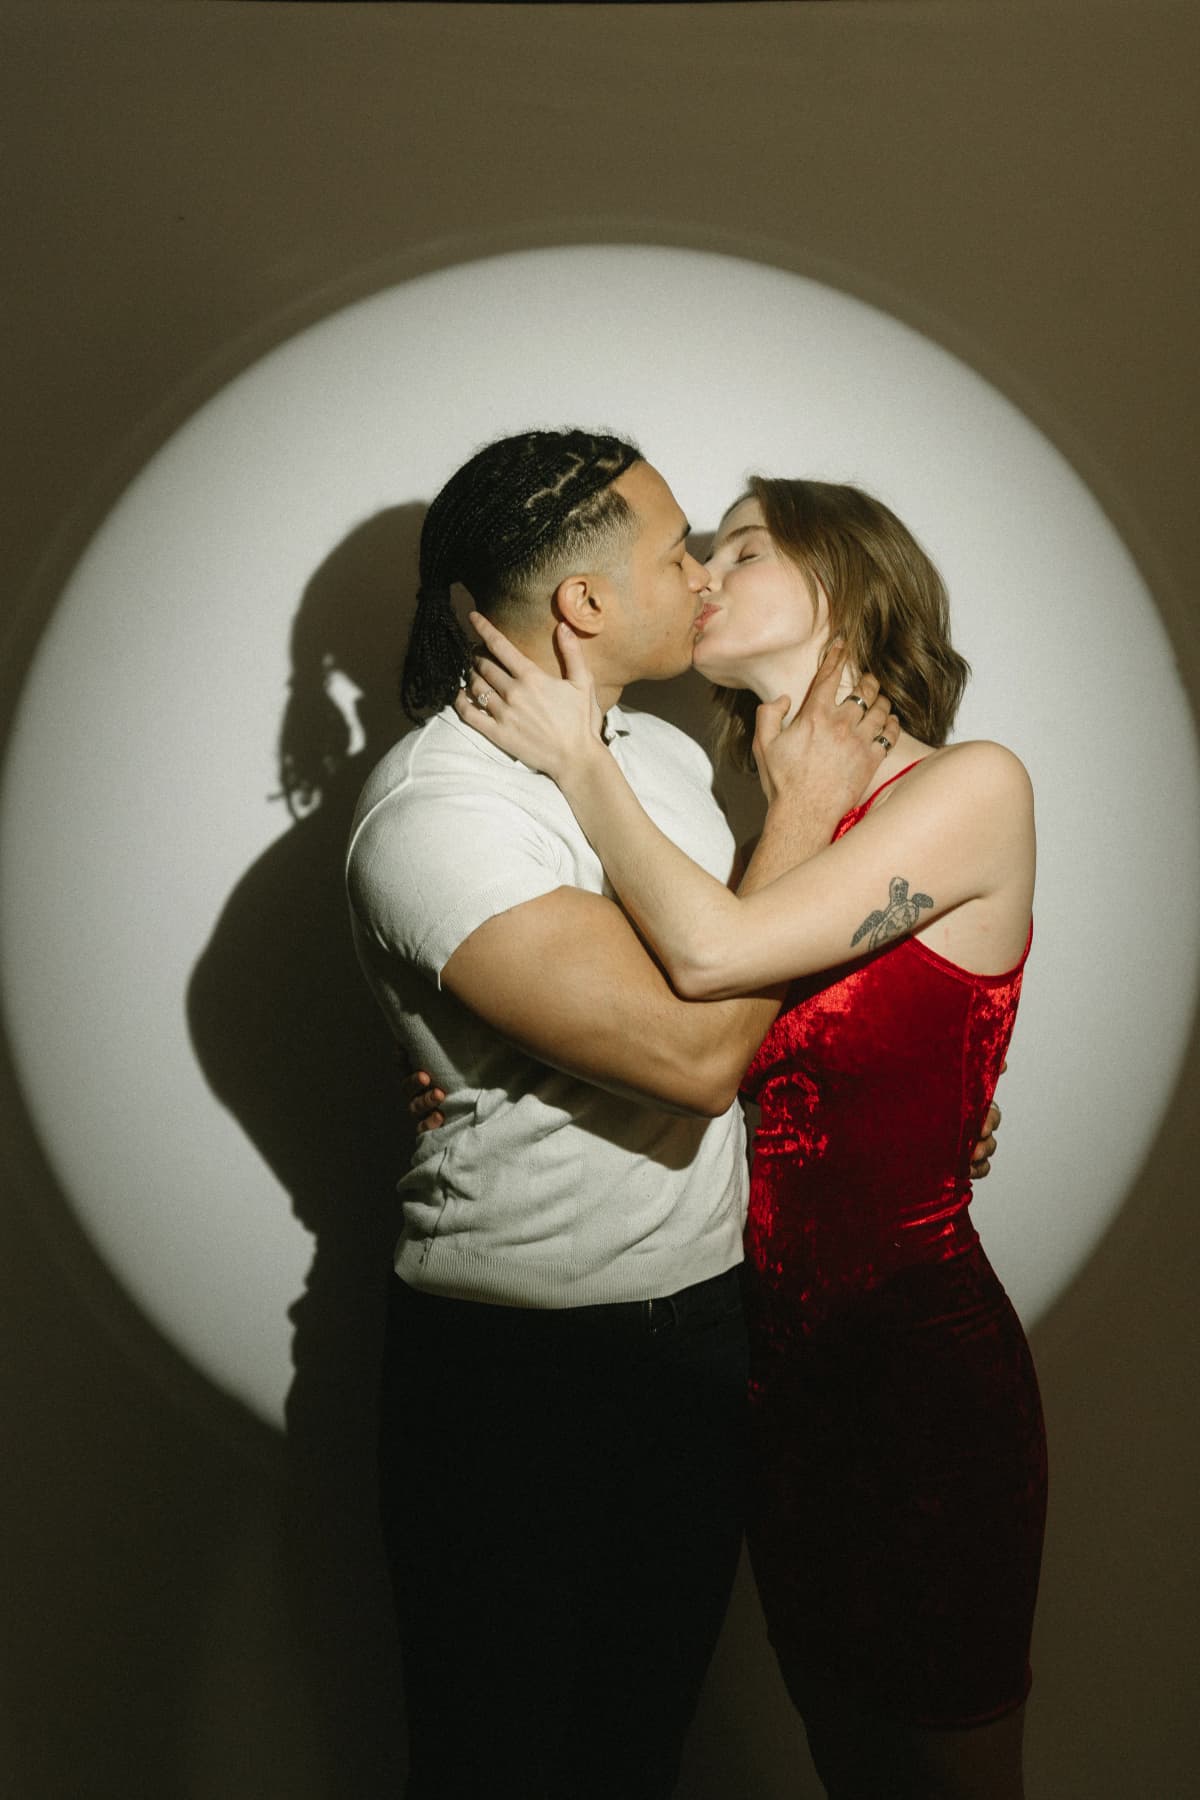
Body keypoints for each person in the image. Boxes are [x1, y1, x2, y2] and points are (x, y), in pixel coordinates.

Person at [347, 429, 1002, 1800]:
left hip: (716, 1336)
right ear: (581, 604)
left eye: (734, 546)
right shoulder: (436, 813)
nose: (698, 568)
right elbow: (698, 1049)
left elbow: (776, 1001)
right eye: (679, 548)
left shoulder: (667, 757)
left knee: (643, 1751)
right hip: (519, 1368)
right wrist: (808, 812)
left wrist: (923, 1108)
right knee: (501, 1763)